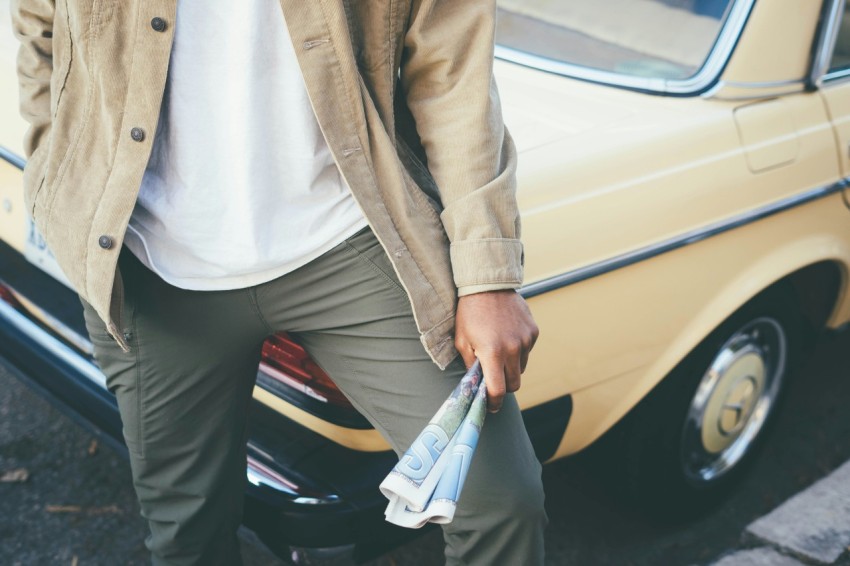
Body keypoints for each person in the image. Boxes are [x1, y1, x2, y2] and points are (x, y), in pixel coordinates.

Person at [12, 1, 546, 564]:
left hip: (350, 240)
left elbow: (451, 65)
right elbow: (39, 26)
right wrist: (58, 155)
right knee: (187, 535)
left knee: (498, 500)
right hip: (155, 262)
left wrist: (488, 279)